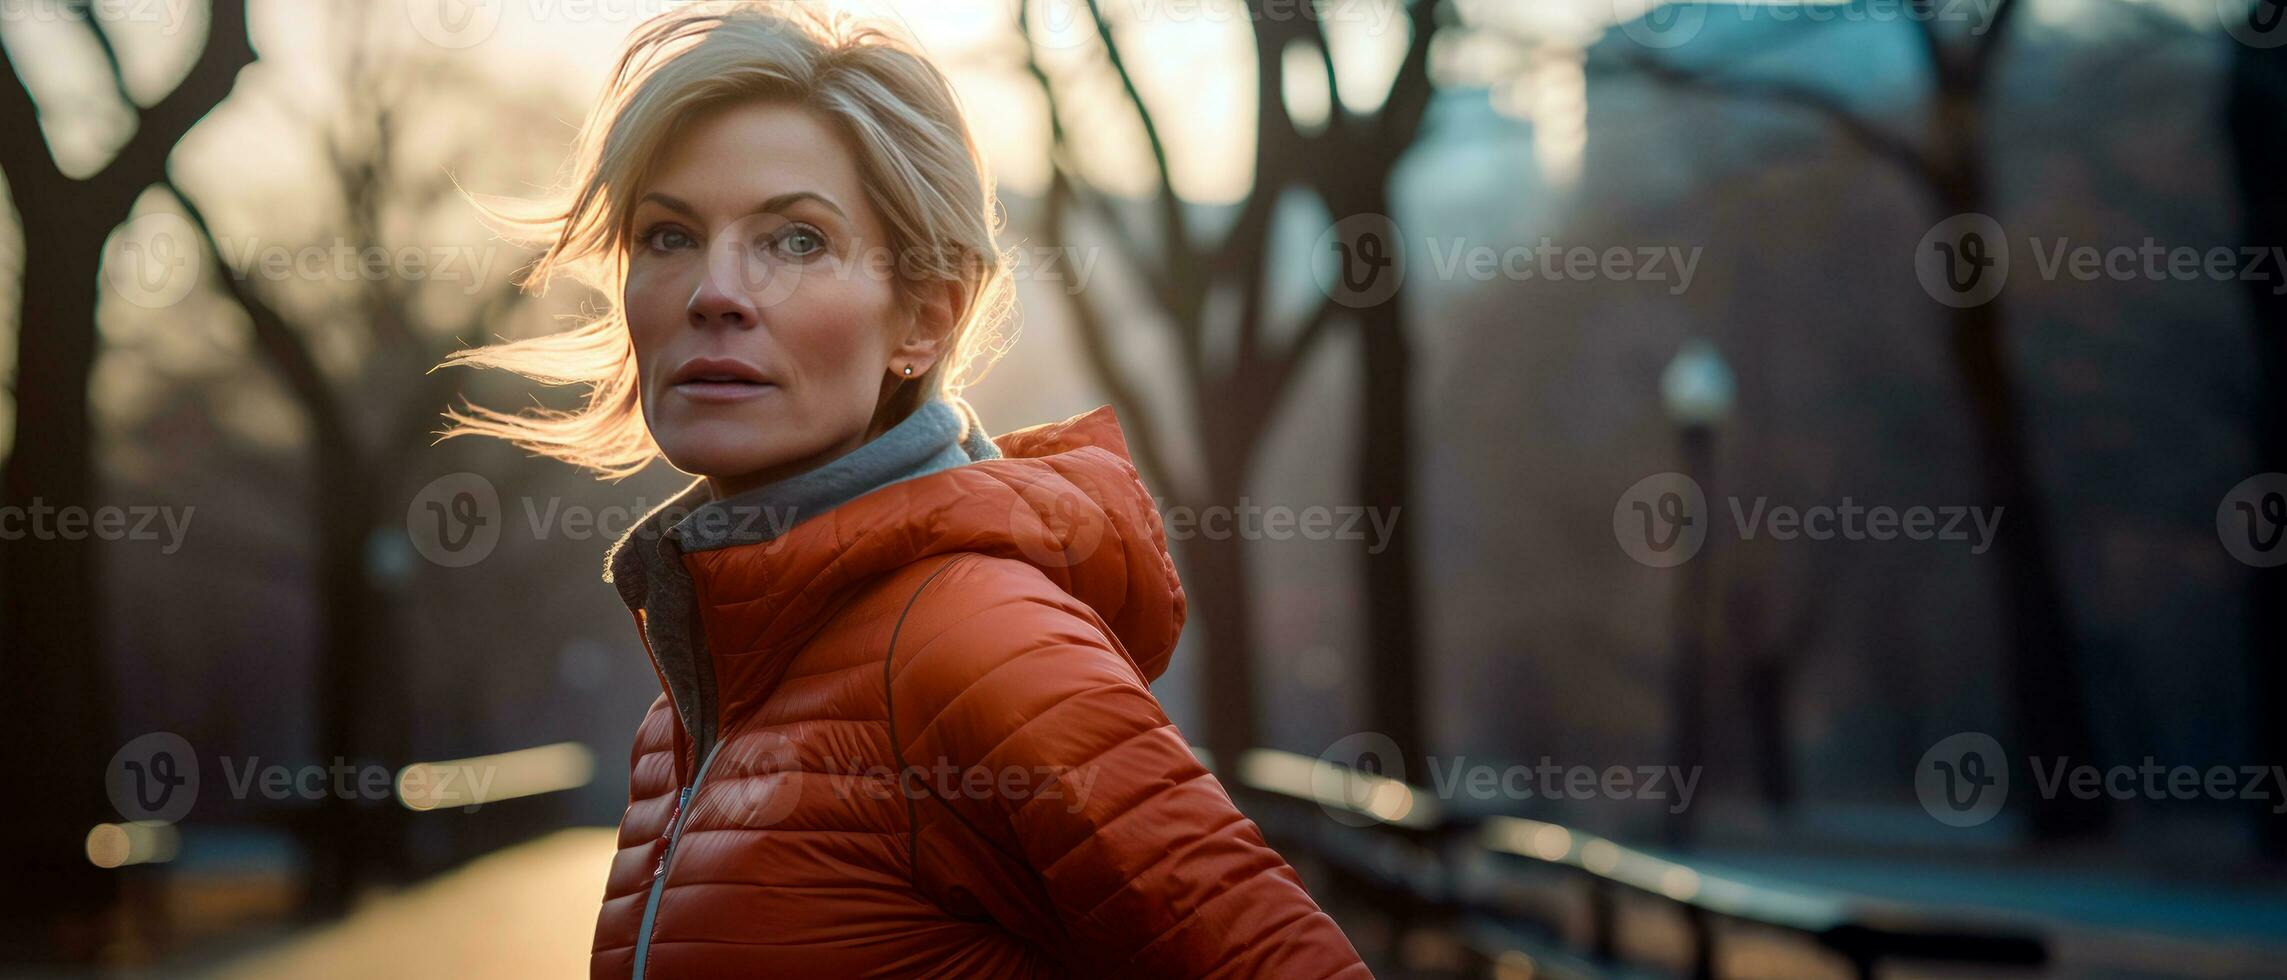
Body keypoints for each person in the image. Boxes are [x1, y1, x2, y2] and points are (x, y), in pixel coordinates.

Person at [438, 4, 1368, 977]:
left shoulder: (981, 644)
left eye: (795, 240)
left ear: (925, 317)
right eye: (667, 235)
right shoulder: (700, 697)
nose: (714, 288)